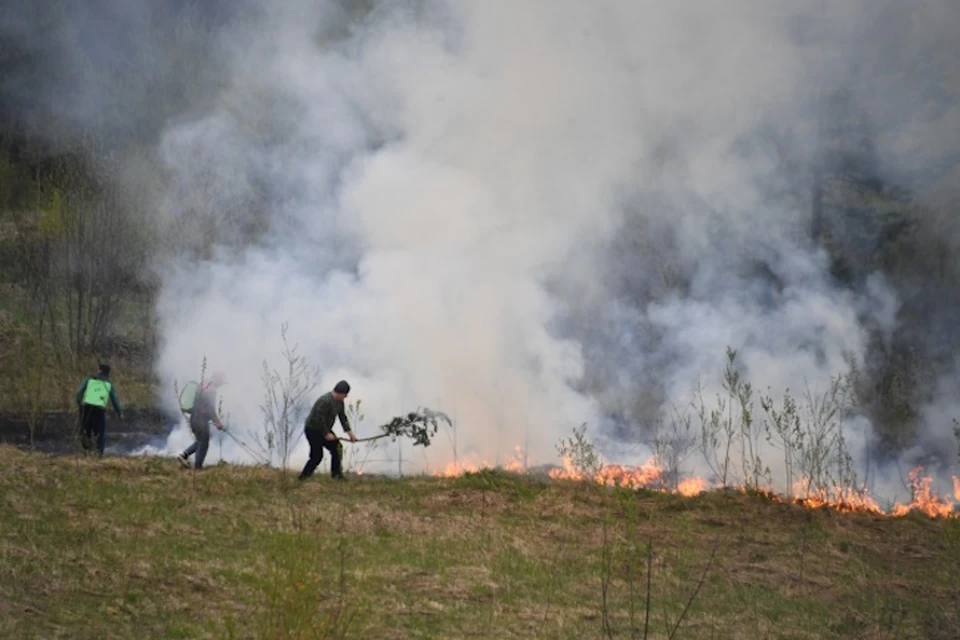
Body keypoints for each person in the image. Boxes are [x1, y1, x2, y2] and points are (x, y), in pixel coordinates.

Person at [299, 380, 358, 481]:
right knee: (317, 456)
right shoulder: (325, 401)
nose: (346, 397)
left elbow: (342, 417)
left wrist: (350, 434)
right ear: (340, 393)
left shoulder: (340, 402)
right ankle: (303, 477)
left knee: (337, 448)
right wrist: (326, 433)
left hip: (325, 429)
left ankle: (336, 475)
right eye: (345, 394)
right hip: (313, 430)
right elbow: (319, 419)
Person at [177, 371, 226, 470]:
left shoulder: (202, 386)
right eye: (221, 382)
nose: (221, 385)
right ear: (217, 380)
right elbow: (210, 409)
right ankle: (198, 468)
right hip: (201, 422)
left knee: (200, 441)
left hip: (194, 419)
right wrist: (218, 422)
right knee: (204, 444)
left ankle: (184, 455)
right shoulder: (211, 391)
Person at [76, 363, 123, 456]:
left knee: (85, 432)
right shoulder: (108, 384)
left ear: (100, 370)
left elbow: (79, 393)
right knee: (100, 434)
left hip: (87, 408)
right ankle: (99, 454)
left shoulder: (89, 379)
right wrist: (119, 413)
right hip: (99, 411)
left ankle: (86, 452)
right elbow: (114, 399)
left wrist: (80, 404)